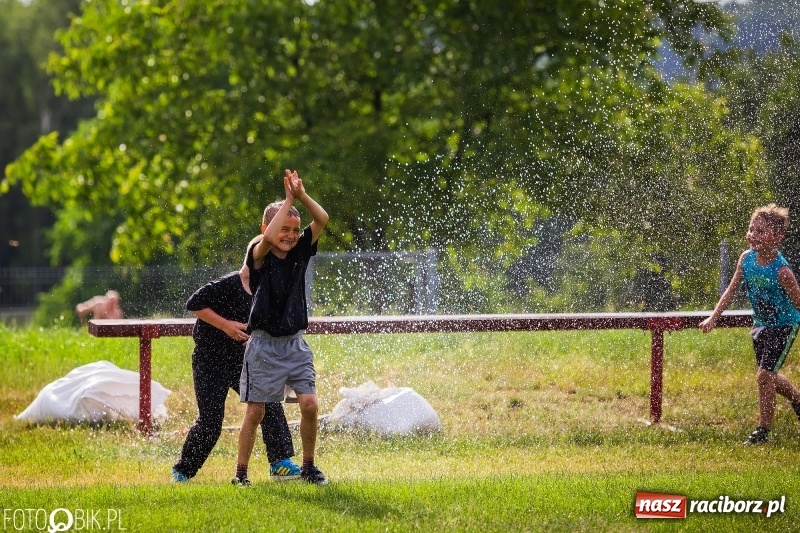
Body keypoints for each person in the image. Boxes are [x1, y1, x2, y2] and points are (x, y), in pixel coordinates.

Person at [171, 239, 300, 482]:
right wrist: (226, 326)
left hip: (245, 360)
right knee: (211, 421)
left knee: (270, 406)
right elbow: (194, 303)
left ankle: (280, 463)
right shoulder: (229, 284)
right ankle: (183, 471)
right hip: (210, 359)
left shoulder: (268, 291)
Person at [233, 169, 329, 486]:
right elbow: (269, 239)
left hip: (295, 344)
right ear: (266, 229)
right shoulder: (258, 255)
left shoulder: (301, 250)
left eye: (294, 229)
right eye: (283, 228)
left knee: (310, 404)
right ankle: (241, 474)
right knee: (256, 412)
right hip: (263, 345)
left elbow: (323, 218)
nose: (289, 234)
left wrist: (300, 197)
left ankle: (309, 466)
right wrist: (288, 200)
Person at [700, 204, 800, 445]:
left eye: (761, 231)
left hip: (784, 326)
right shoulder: (746, 260)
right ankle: (798, 401)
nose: (753, 235)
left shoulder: (782, 271)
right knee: (769, 376)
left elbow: (798, 300)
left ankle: (763, 431)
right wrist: (713, 318)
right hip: (761, 325)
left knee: (764, 375)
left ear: (777, 237)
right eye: (751, 229)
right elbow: (730, 291)